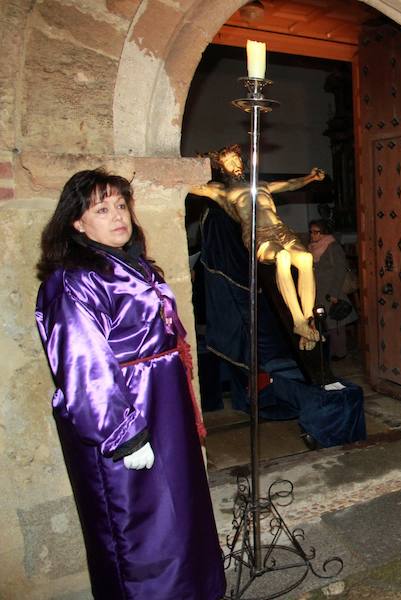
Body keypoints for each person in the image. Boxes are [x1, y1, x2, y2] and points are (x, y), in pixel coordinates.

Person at [34, 170, 225, 599]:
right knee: (140, 528)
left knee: (181, 516)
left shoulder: (131, 264)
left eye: (121, 205)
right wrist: (123, 434)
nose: (118, 215)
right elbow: (83, 363)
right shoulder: (74, 280)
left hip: (164, 405)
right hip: (126, 413)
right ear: (77, 223)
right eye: (102, 209)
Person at [191, 144, 326, 349]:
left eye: (236, 160)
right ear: (222, 168)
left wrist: (311, 178)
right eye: (228, 163)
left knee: (306, 259)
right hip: (258, 235)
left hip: (281, 230)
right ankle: (298, 321)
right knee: (282, 258)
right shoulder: (222, 191)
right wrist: (195, 167)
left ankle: (308, 321)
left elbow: (290, 184)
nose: (234, 165)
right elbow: (191, 186)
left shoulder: (261, 184)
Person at [307, 219, 358, 360]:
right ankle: (327, 352)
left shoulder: (332, 247)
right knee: (323, 323)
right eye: (311, 232)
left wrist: (334, 293)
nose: (313, 235)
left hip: (331, 291)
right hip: (318, 290)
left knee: (336, 322)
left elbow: (340, 270)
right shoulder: (311, 247)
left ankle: (340, 352)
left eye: (316, 232)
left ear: (324, 232)